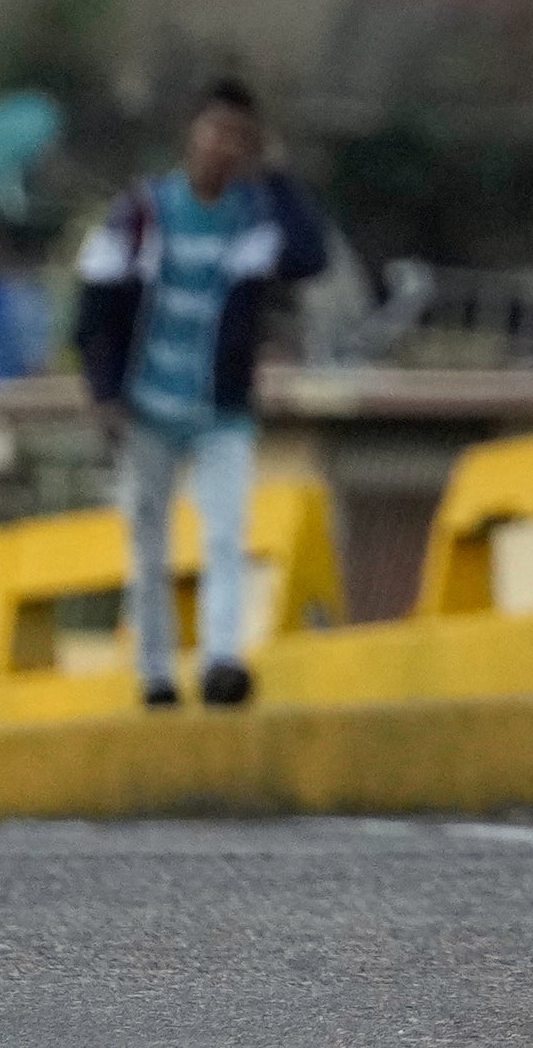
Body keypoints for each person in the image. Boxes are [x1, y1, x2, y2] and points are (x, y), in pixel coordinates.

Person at [72, 78, 333, 708]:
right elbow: (93, 309)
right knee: (150, 543)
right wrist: (105, 393)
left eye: (239, 138)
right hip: (148, 408)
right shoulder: (143, 215)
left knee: (224, 535)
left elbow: (310, 255)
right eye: (216, 131)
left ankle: (221, 661)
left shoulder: (253, 220)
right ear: (193, 134)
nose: (224, 147)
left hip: (221, 410)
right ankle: (156, 674)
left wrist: (278, 177)